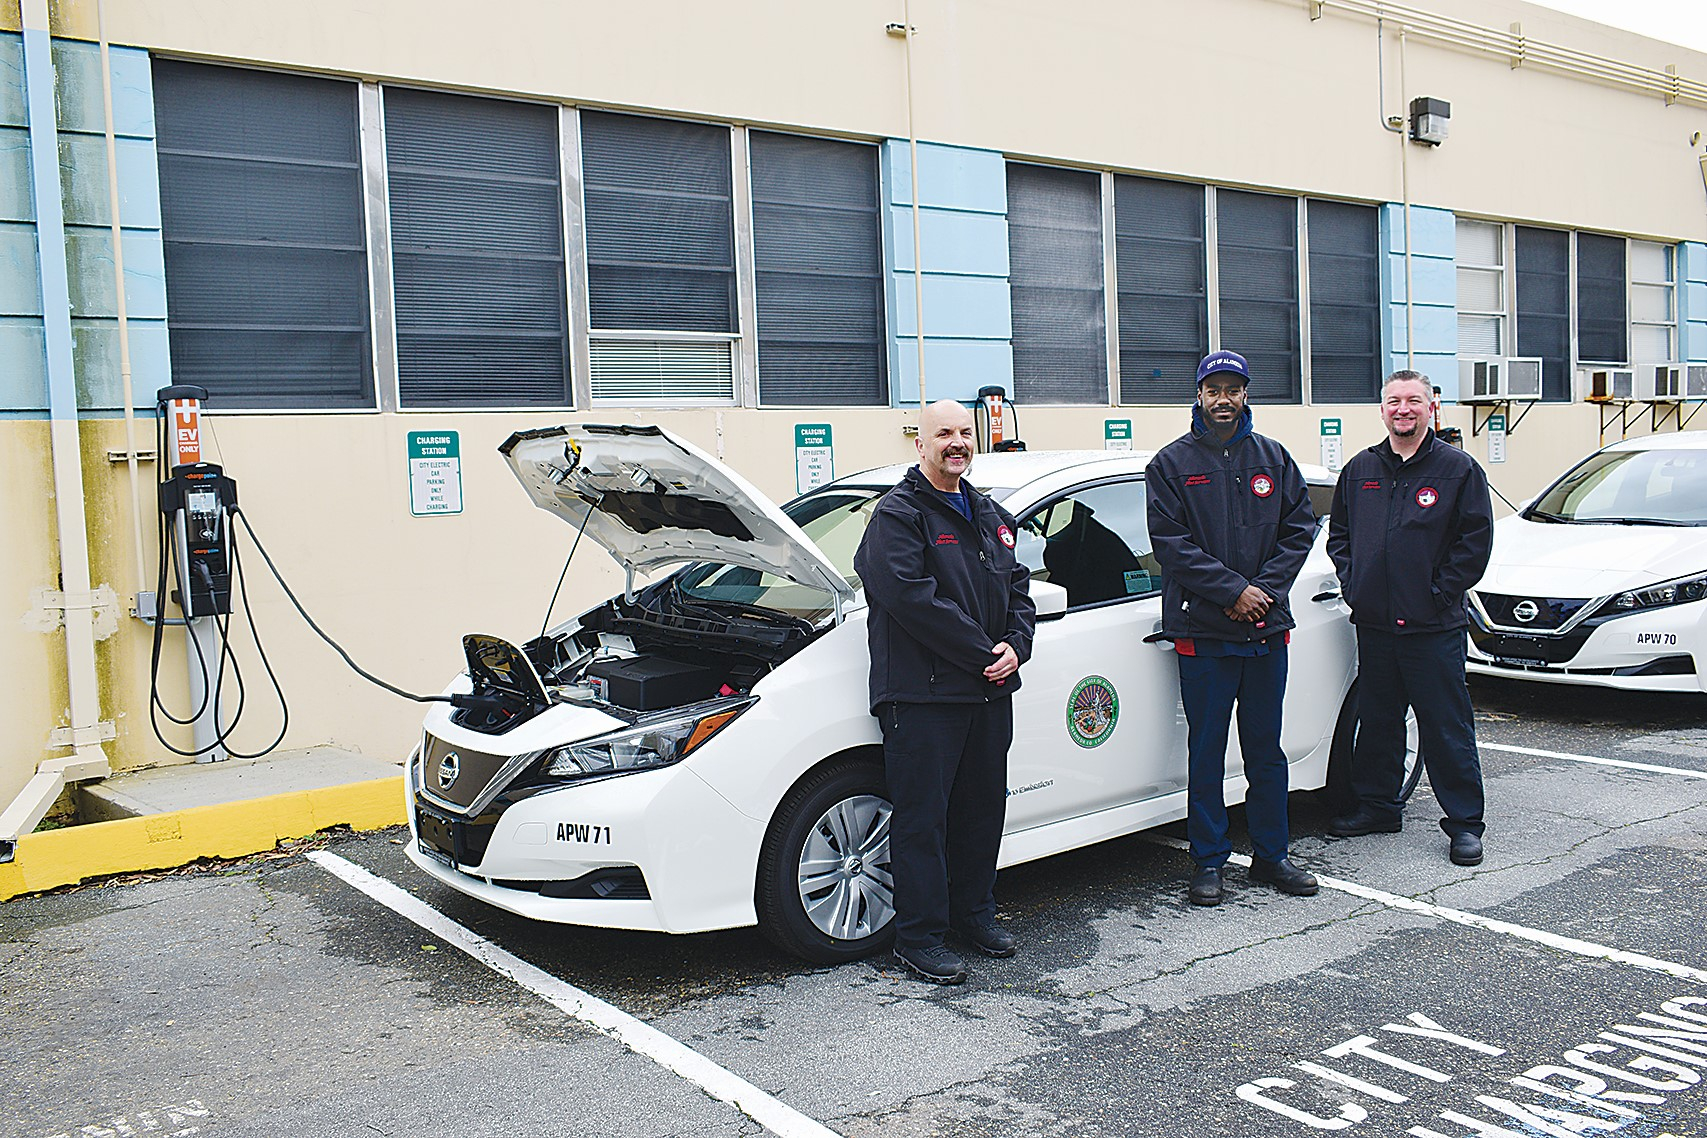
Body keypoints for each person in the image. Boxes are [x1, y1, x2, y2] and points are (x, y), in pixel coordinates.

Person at [854, 399, 1035, 984]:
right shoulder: (897, 517)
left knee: (982, 811)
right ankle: (920, 936)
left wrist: (1017, 644)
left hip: (987, 691)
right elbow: (911, 598)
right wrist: (987, 653)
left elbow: (1020, 589)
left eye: (964, 433)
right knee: (922, 820)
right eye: (943, 434)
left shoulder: (988, 513)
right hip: (924, 696)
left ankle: (973, 914)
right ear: (920, 443)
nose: (956, 443)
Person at [1146, 350, 1320, 907]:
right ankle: (1208, 862)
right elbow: (1171, 546)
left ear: (1247, 395)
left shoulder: (1274, 458)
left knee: (1265, 750)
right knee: (1207, 749)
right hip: (1205, 634)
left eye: (1233, 389)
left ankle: (1272, 856)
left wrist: (1261, 593)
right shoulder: (1170, 465)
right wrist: (1231, 592)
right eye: (1213, 389)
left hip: (1265, 630)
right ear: (1198, 396)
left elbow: (1300, 529)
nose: (1224, 399)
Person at [1326, 370, 1494, 866]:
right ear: (1382, 410)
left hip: (1433, 627)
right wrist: (1356, 587)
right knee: (1378, 721)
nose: (1403, 409)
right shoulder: (1360, 470)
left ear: (1430, 408)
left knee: (1446, 726)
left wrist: (1440, 594)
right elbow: (1341, 538)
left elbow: (1474, 543)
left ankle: (1465, 824)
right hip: (1376, 624)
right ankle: (1378, 807)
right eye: (1394, 401)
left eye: (1414, 400)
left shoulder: (1457, 469)